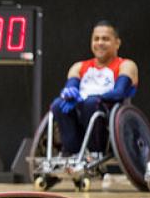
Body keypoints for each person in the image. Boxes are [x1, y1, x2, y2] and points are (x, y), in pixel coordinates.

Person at [50, 21, 139, 155]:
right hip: (81, 110)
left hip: (107, 111)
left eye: (105, 39)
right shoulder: (79, 67)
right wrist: (68, 94)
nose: (100, 43)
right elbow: (71, 88)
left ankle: (96, 151)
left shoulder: (126, 65)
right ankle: (71, 151)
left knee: (91, 103)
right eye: (96, 39)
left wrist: (86, 98)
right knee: (58, 104)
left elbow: (119, 92)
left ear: (117, 43)